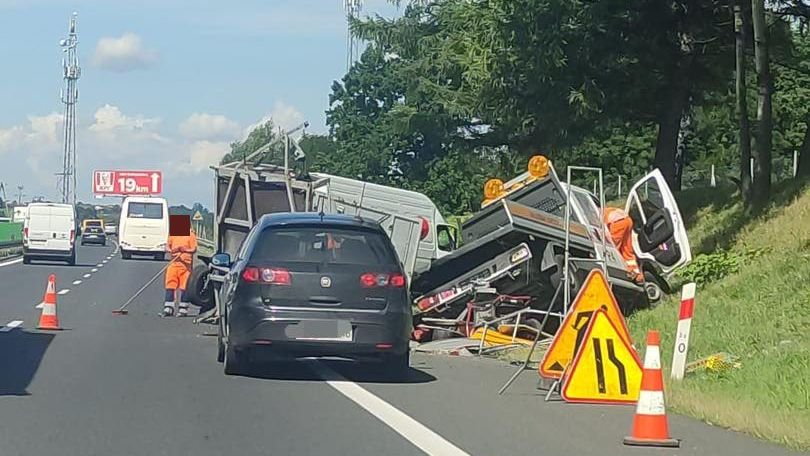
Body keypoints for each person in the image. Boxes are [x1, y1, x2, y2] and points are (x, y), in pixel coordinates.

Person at [163, 226, 198, 317]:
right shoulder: (173, 234)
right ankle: (168, 308)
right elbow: (166, 247)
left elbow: (194, 249)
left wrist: (185, 250)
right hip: (174, 264)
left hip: (185, 266)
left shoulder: (191, 235)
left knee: (184, 286)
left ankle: (183, 309)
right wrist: (171, 250)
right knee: (170, 284)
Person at [603, 207, 643, 284]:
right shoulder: (606, 209)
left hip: (617, 223)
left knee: (613, 249)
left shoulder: (594, 212)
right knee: (627, 250)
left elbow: (606, 234)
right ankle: (638, 275)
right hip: (627, 220)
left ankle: (625, 272)